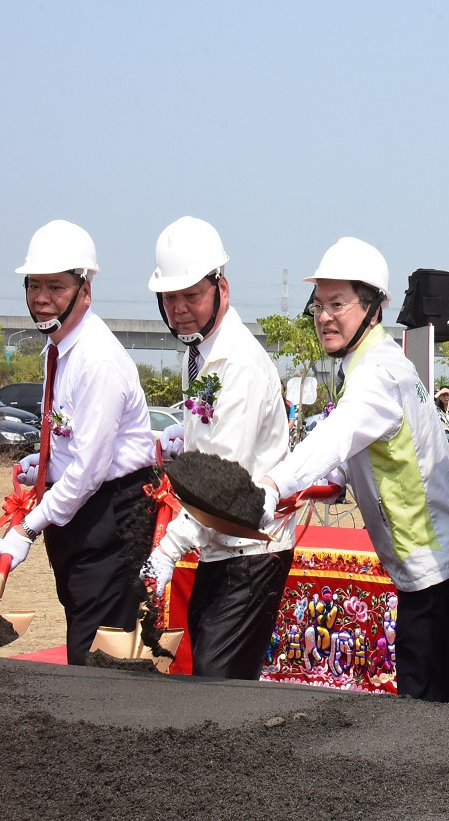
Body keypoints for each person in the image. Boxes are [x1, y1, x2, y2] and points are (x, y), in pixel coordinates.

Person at [258, 237, 449, 702]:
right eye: (319, 304)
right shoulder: (373, 360)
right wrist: (333, 481)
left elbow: (337, 433)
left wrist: (270, 486)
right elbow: (368, 442)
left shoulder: (375, 373)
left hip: (432, 560)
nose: (324, 317)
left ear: (373, 308)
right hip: (445, 548)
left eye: (337, 304)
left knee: (423, 702)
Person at [0, 219, 157, 665]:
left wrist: (28, 528)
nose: (41, 298)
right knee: (83, 629)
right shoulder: (60, 348)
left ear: (85, 290)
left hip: (112, 517)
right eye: (34, 285)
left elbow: (90, 469)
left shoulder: (96, 359)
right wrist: (46, 462)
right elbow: (75, 441)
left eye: (56, 287)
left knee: (94, 655)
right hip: (81, 514)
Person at [138, 216, 292, 680]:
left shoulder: (239, 363)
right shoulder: (199, 351)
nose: (179, 309)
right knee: (209, 672)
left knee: (216, 682)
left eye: (191, 295)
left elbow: (224, 480)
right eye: (169, 298)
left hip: (251, 550)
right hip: (218, 546)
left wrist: (167, 551)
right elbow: (208, 442)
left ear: (221, 287)